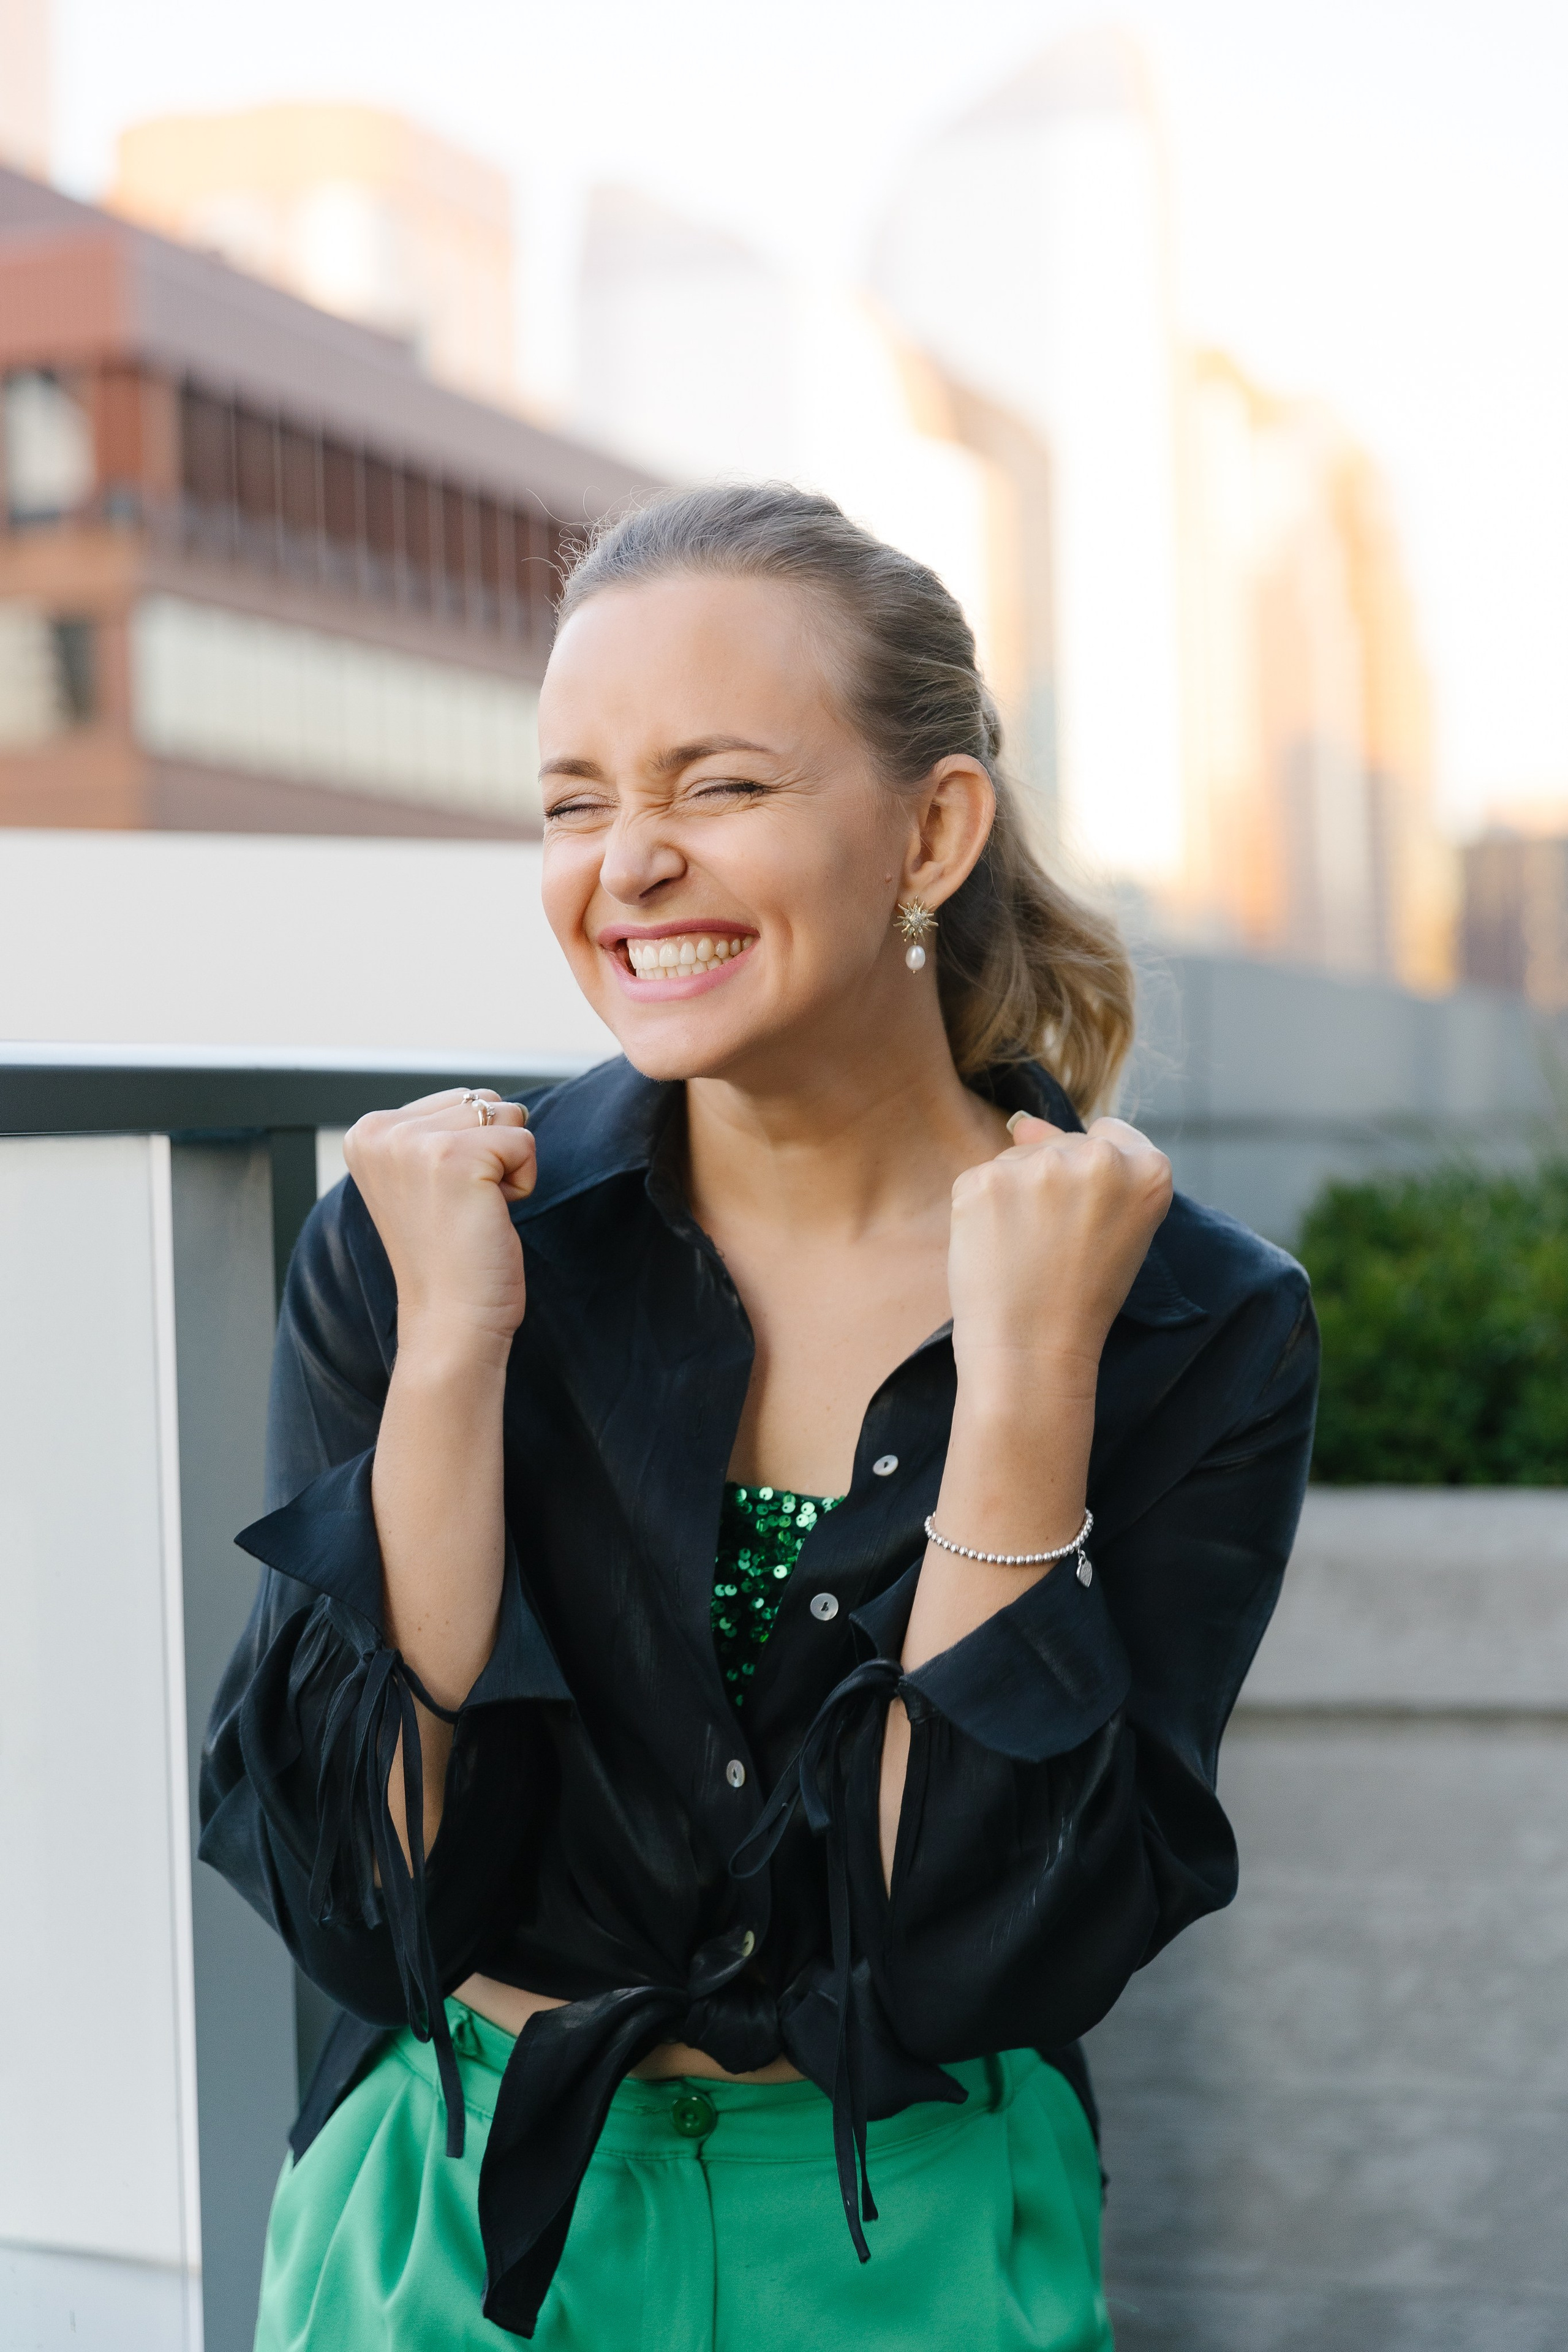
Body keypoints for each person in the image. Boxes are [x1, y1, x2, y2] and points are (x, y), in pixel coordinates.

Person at [202, 482, 1317, 2351]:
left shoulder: (1190, 1316)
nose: (625, 863)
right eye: (575, 801)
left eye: (716, 786)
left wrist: (1026, 1377)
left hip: (916, 2236)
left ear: (932, 831)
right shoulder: (421, 1239)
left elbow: (968, 1944)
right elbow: (360, 1897)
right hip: (456, 2223)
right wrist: (453, 1349)